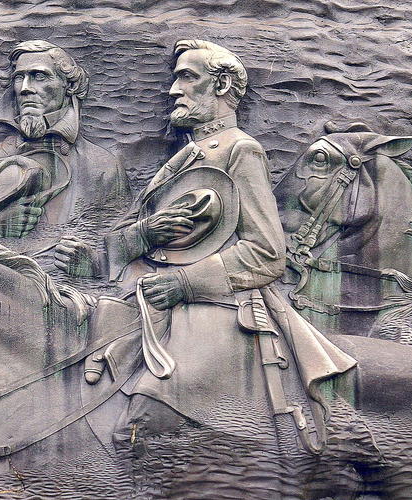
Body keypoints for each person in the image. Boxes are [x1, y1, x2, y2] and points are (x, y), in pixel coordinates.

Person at [67, 40, 355, 446]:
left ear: (221, 85)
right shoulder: (186, 155)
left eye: (187, 77)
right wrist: (100, 256)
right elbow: (150, 234)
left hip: (216, 307)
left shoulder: (240, 149)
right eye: (175, 78)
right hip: (148, 298)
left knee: (146, 420)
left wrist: (185, 284)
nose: (173, 90)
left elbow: (267, 253)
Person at [0, 40, 129, 274]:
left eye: (39, 76)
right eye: (18, 78)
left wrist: (94, 263)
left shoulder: (101, 165)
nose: (25, 88)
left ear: (69, 85)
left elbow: (123, 246)